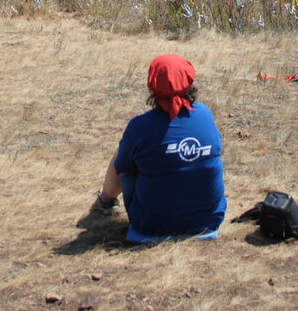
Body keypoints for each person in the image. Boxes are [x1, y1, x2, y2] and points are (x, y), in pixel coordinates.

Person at [92, 53, 226, 242]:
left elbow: (122, 168)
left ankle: (104, 202)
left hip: (150, 225)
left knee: (124, 156)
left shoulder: (139, 126)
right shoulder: (205, 115)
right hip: (207, 222)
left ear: (152, 86)